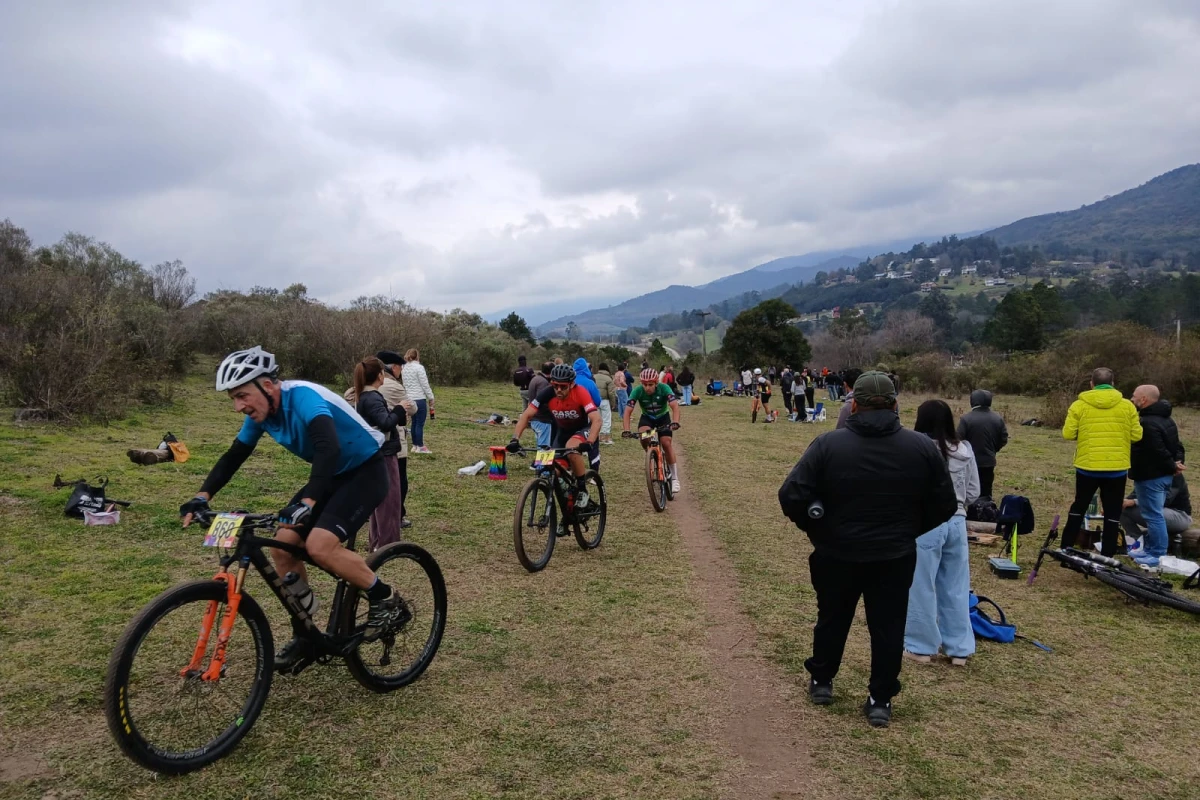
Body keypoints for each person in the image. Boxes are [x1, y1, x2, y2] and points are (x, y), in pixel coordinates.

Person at [180, 347, 407, 669]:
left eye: (242, 395)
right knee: (283, 546)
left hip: (365, 470)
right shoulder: (260, 415)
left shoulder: (303, 398)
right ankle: (306, 631)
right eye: (233, 397)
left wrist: (308, 501)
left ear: (268, 386)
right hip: (330, 475)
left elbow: (329, 447)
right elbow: (234, 455)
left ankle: (384, 597)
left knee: (319, 545)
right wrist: (202, 496)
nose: (238, 406)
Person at [778, 371, 957, 728]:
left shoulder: (828, 445)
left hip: (836, 553)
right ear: (894, 404)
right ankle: (880, 699)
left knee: (832, 618)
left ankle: (822, 681)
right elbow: (946, 505)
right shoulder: (921, 447)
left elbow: (790, 495)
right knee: (888, 627)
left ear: (854, 404)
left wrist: (819, 530)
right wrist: (909, 530)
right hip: (894, 556)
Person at [905, 400, 979, 667]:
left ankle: (920, 646)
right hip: (957, 522)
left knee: (921, 585)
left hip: (926, 524)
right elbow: (973, 492)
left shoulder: (915, 448)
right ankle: (959, 649)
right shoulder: (965, 449)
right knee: (957, 587)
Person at [1060, 368, 1143, 557]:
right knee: (1113, 512)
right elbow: (1137, 435)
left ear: (1091, 383)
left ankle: (1066, 545)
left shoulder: (1079, 405)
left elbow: (1068, 433)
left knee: (1079, 506)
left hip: (1087, 466)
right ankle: (1108, 553)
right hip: (1116, 468)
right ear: (1113, 383)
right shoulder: (1127, 406)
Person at [509, 364, 602, 506]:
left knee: (571, 448)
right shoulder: (547, 393)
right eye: (555, 385)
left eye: (563, 386)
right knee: (552, 472)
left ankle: (582, 490)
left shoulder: (580, 392)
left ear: (571, 384)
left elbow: (597, 419)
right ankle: (568, 513)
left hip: (582, 430)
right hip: (562, 433)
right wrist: (515, 439)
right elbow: (527, 415)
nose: (558, 390)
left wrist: (590, 441)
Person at [352, 357, 408, 551]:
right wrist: (400, 409)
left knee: (378, 499)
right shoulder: (373, 397)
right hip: (384, 453)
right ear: (379, 375)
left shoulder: (363, 397)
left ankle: (376, 541)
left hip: (373, 452)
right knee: (390, 499)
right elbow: (385, 423)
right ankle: (388, 544)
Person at [1128, 384, 1187, 566]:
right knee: (1154, 514)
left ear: (1144, 400)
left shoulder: (1147, 423)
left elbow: (1158, 451)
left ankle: (1157, 553)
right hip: (1162, 475)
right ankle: (1150, 549)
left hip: (1151, 476)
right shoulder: (1167, 419)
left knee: (1153, 515)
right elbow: (1177, 446)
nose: (1132, 399)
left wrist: (1171, 466)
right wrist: (1176, 464)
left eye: (1134, 396)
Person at [375, 351, 419, 528]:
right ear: (393, 367)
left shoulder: (366, 384)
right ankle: (397, 515)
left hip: (370, 440)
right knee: (399, 479)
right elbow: (413, 408)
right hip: (393, 439)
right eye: (400, 367)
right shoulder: (394, 386)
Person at [622, 367, 682, 493]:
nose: (647, 388)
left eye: (650, 384)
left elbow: (675, 406)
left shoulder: (664, 388)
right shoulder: (637, 391)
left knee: (666, 443)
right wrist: (626, 430)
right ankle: (650, 453)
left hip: (663, 419)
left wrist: (675, 422)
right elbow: (627, 412)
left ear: (656, 383)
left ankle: (675, 478)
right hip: (648, 419)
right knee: (644, 436)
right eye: (644, 384)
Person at [1121, 473, 1192, 555]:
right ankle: (1136, 544)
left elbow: (1165, 500)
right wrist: (1120, 504)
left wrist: (1135, 502)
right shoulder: (1146, 472)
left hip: (1180, 516)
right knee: (1121, 509)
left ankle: (1157, 552)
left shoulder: (1174, 475)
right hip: (1158, 511)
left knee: (1153, 511)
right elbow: (1135, 494)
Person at [956, 389, 1009, 500]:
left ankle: (972, 512)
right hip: (989, 460)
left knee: (969, 489)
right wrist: (993, 449)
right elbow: (1003, 438)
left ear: (973, 400)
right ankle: (986, 511)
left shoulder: (966, 419)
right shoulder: (997, 418)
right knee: (986, 489)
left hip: (969, 460)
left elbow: (958, 439)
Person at [572, 358, 603, 471]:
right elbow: (598, 401)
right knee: (593, 443)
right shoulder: (590, 382)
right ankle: (594, 471)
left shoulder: (569, 381)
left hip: (570, 417)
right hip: (588, 417)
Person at [402, 349, 435, 454]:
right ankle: (420, 446)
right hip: (419, 398)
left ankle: (415, 445)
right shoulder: (419, 368)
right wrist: (431, 397)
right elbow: (424, 384)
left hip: (409, 398)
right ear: (417, 356)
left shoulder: (404, 368)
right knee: (420, 423)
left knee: (414, 422)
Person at [525, 362, 554, 460]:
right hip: (542, 419)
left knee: (540, 444)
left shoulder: (535, 379)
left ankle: (537, 466)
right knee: (544, 447)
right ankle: (544, 469)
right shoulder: (543, 383)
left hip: (534, 418)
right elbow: (542, 401)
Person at [594, 362, 618, 445]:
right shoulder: (609, 379)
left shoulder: (593, 377)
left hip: (595, 401)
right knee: (606, 420)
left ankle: (596, 437)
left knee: (597, 420)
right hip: (605, 401)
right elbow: (611, 393)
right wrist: (613, 404)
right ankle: (605, 439)